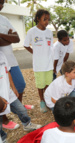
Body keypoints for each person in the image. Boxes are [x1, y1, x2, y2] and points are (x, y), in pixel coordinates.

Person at [0, 0, 33, 131]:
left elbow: (17, 38)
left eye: (2, 3)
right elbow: (10, 39)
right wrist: (8, 36)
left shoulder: (4, 18)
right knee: (1, 92)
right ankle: (4, 118)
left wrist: (3, 36)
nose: (1, 5)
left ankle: (17, 107)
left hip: (11, 60)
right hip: (1, 63)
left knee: (20, 85)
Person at [0, 51, 42, 142]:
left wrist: (13, 87)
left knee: (21, 110)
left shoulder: (2, 54)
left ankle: (27, 124)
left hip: (8, 92)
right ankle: (2, 138)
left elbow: (8, 72)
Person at [24, 9, 54, 113]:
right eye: (44, 19)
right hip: (39, 64)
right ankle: (42, 101)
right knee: (40, 85)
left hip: (49, 64)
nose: (47, 22)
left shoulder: (49, 32)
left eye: (48, 20)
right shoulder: (32, 31)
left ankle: (47, 100)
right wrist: (34, 52)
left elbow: (51, 48)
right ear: (38, 19)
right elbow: (26, 45)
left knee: (48, 84)